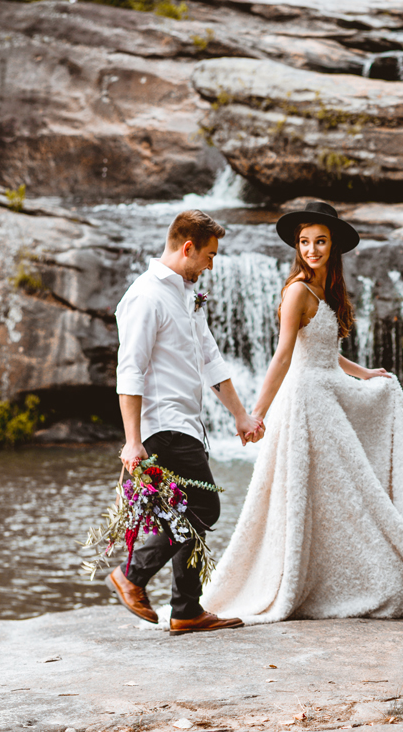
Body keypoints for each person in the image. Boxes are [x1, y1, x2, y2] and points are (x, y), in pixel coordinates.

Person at [202, 201, 403, 622]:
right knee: (336, 491)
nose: (312, 249)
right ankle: (319, 580)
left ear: (332, 245)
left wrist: (365, 373)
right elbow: (284, 355)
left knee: (339, 494)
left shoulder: (326, 289)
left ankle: (342, 576)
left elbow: (328, 353)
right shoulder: (297, 290)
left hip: (327, 394)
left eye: (319, 241)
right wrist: (256, 412)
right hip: (305, 403)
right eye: (304, 242)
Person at [108, 209, 263, 636]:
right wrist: (133, 441)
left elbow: (210, 358)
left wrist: (240, 415)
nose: (212, 264)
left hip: (186, 425)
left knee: (184, 512)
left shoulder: (186, 293)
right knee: (202, 506)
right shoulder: (146, 295)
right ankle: (132, 575)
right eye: (210, 255)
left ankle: (186, 610)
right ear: (188, 248)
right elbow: (130, 369)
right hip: (164, 425)